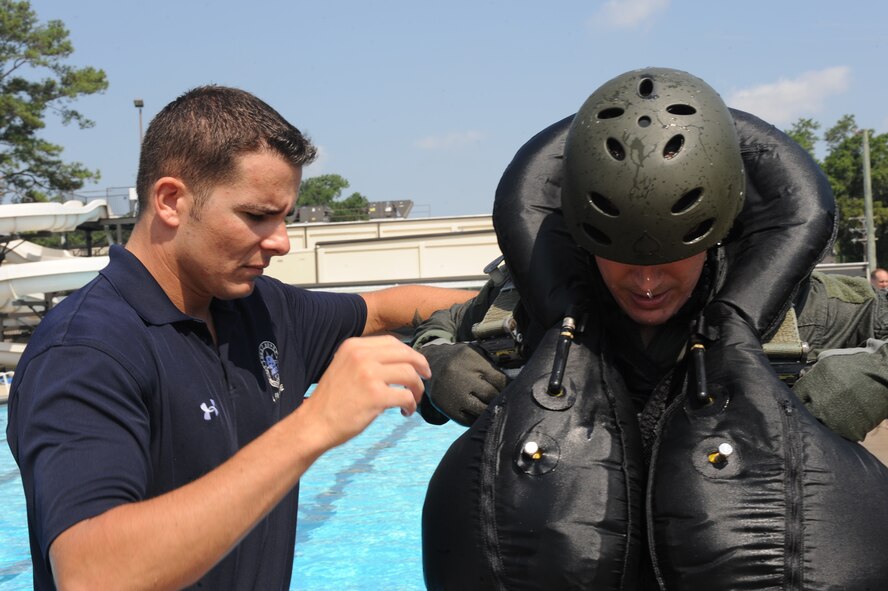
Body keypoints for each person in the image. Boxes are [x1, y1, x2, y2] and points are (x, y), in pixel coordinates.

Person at [418, 67, 888, 590]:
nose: (645, 281)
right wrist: (434, 364)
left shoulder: (804, 311)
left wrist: (879, 371)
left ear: (720, 227)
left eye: (674, 254)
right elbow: (437, 332)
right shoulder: (523, 308)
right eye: (616, 254)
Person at [6, 85, 475, 591]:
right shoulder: (85, 351)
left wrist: (518, 310)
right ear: (170, 201)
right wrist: (316, 423)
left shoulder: (263, 310)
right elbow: (91, 573)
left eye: (284, 217)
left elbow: (385, 309)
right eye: (256, 216)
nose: (282, 242)